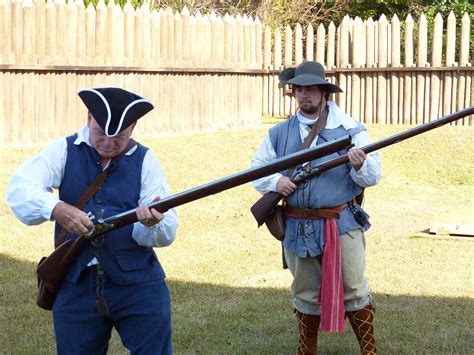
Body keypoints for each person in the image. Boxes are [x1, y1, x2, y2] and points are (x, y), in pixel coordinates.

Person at [7, 87, 179, 354]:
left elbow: (167, 231)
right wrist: (56, 207)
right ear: (89, 118)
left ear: (132, 127)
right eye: (101, 133)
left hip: (138, 284)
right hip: (76, 283)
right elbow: (20, 189)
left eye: (119, 136)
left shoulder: (146, 161)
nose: (109, 143)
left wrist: (152, 222)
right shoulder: (63, 150)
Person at [251, 61, 381, 354]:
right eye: (299, 89)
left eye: (310, 89)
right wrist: (276, 183)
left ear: (324, 92)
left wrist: (359, 164)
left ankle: (369, 350)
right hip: (298, 224)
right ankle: (306, 349)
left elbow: (372, 175)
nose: (303, 95)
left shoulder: (349, 128)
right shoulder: (279, 133)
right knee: (305, 291)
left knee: (354, 289)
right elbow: (257, 169)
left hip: (341, 221)